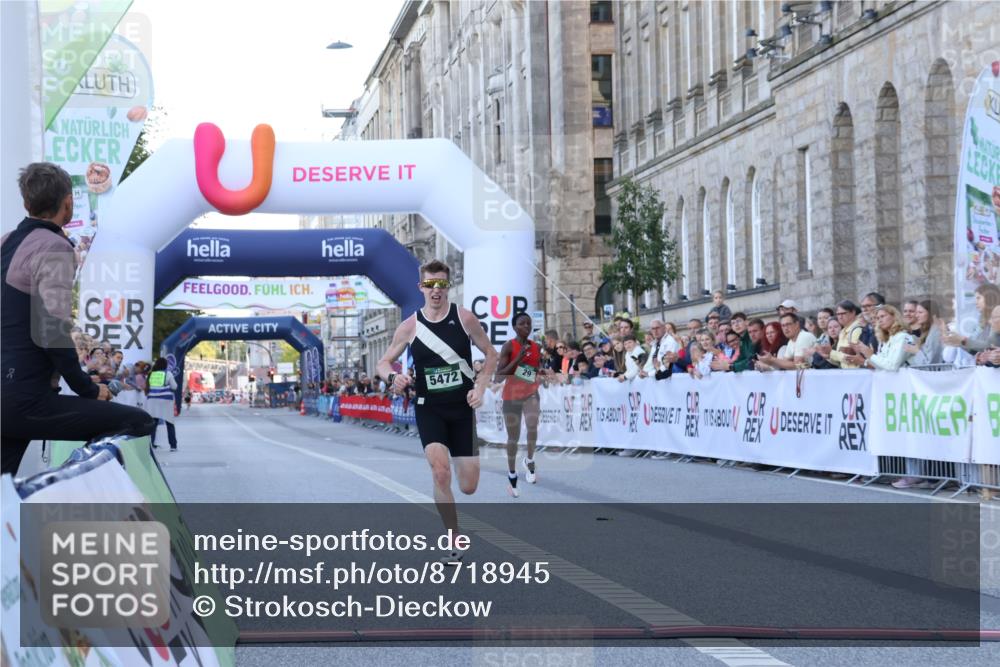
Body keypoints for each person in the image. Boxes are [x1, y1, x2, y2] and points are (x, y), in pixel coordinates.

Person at [1, 162, 154, 474]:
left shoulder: (5, 243)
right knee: (136, 421)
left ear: (26, 202)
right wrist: (88, 388)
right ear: (68, 202)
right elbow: (52, 329)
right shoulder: (54, 246)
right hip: (26, 399)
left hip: (8, 395)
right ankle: (83, 509)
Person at [376, 260, 497, 562]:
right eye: (430, 285)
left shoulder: (464, 318)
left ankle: (450, 477)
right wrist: (394, 377)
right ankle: (453, 537)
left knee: (468, 486)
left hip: (461, 408)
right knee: (441, 472)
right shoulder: (409, 327)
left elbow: (492, 354)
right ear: (421, 287)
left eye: (441, 284)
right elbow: (382, 363)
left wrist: (480, 387)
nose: (436, 291)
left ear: (448, 286)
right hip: (428, 407)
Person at [495, 312, 545, 498]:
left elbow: (531, 372)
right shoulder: (509, 346)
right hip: (511, 395)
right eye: (522, 324)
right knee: (513, 438)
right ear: (514, 327)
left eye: (529, 324)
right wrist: (518, 359)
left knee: (532, 426)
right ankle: (512, 473)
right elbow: (499, 376)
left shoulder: (537, 347)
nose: (526, 326)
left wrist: (540, 373)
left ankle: (530, 460)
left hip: (531, 392)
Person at [844, 305, 915, 371]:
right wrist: (867, 356)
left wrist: (870, 355)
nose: (880, 320)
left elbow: (892, 366)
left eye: (882, 316)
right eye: (878, 318)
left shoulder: (903, 337)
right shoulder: (888, 339)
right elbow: (881, 366)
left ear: (894, 316)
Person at [145, 357, 179, 451]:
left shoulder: (151, 374)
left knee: (153, 423)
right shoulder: (168, 374)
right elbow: (174, 387)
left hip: (152, 401)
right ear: (165, 365)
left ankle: (151, 444)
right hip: (165, 400)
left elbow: (147, 387)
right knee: (169, 423)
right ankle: (173, 446)